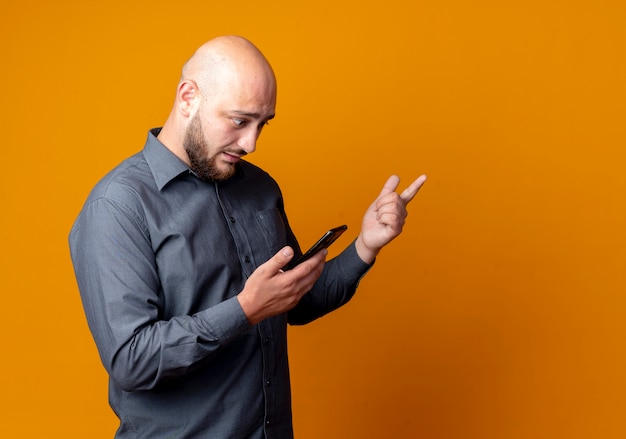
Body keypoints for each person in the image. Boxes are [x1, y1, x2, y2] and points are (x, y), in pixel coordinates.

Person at [69, 35, 427, 439]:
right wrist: (244, 309)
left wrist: (365, 245)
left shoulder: (260, 187)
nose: (251, 143)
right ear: (188, 98)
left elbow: (295, 300)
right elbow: (131, 360)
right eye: (240, 121)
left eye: (262, 124)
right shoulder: (118, 205)